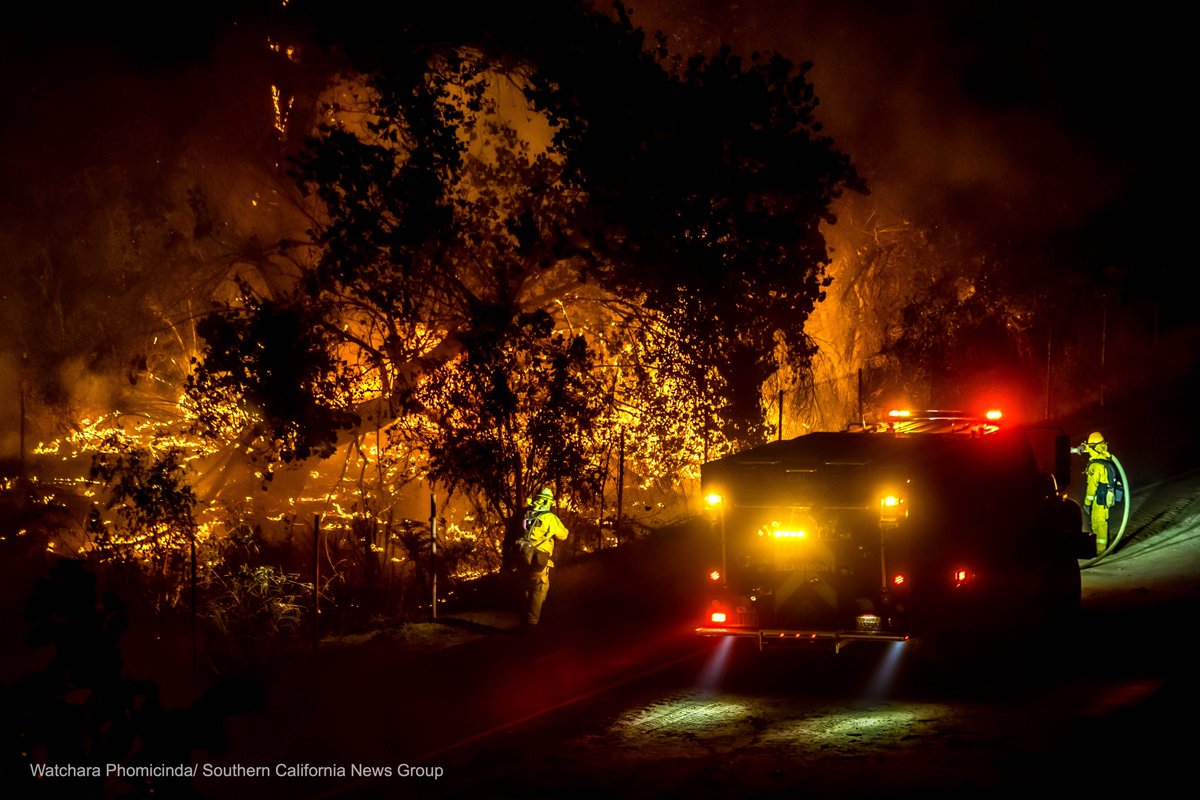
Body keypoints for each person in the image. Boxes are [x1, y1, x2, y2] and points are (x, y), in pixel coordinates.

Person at [516, 487, 569, 628]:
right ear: (548, 502)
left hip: (521, 556)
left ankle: (523, 617)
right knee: (539, 589)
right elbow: (563, 535)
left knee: (525, 586)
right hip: (537, 560)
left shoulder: (524, 513)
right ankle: (531, 624)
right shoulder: (549, 517)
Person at [1082, 431, 1116, 553]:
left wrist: (1087, 503)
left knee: (1099, 523)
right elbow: (1092, 447)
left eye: (1089, 447)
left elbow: (1092, 488)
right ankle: (1099, 547)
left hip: (1099, 500)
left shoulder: (1095, 466)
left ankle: (1101, 550)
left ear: (1094, 448)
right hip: (1104, 499)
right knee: (1099, 522)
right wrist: (1082, 446)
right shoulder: (1105, 458)